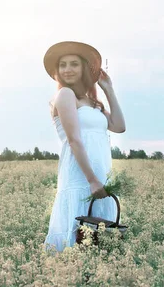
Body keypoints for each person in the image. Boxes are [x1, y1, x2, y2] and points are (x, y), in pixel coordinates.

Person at [42, 41, 126, 253]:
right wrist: (91, 179)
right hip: (81, 176)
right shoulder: (65, 95)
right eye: (63, 65)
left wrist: (108, 89)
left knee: (96, 234)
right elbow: (74, 141)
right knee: (77, 230)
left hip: (99, 174)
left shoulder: (90, 101)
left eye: (74, 64)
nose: (67, 69)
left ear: (84, 69)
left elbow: (119, 126)